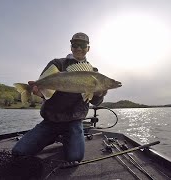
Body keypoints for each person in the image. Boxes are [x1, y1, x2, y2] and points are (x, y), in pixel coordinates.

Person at [12, 32, 107, 162]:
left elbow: (96, 102)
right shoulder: (57, 63)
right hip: (51, 121)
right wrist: (39, 92)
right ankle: (52, 136)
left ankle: (66, 138)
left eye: (83, 45)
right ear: (71, 47)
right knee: (18, 152)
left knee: (75, 158)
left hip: (74, 122)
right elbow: (45, 92)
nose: (79, 48)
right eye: (75, 44)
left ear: (88, 48)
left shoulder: (94, 73)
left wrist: (100, 93)